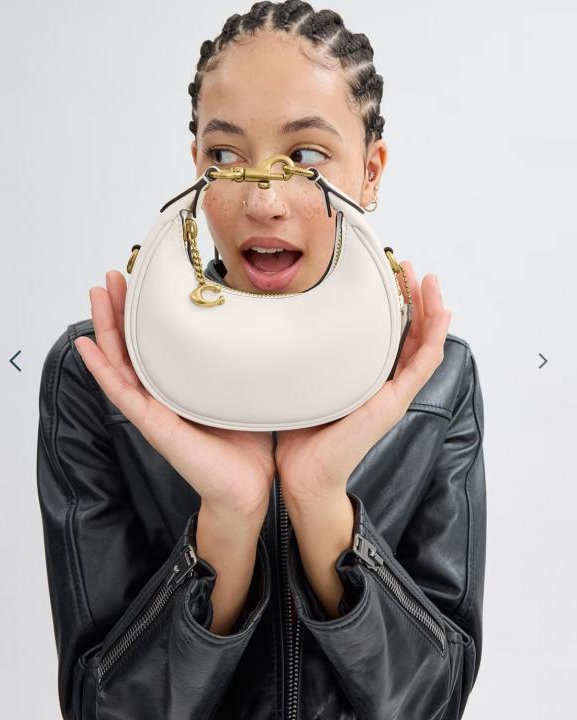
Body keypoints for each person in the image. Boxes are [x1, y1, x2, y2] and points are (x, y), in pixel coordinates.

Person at [36, 2, 487, 719]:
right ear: (196, 171)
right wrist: (229, 515)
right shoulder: (101, 376)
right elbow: (104, 708)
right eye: (225, 157)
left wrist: (319, 501)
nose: (265, 201)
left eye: (306, 158)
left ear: (369, 172)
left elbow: (432, 702)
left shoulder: (433, 379)